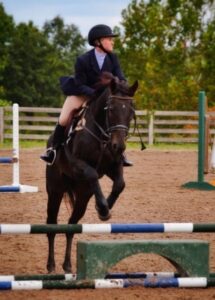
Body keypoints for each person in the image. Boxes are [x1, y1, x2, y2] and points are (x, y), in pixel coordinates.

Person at [40, 24, 133, 166]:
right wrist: (93, 93)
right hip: (81, 93)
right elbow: (79, 83)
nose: (112, 41)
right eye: (109, 39)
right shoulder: (83, 60)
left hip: (103, 96)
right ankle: (53, 150)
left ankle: (121, 153)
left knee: (115, 115)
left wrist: (122, 85)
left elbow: (120, 76)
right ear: (98, 42)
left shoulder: (113, 58)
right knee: (64, 119)